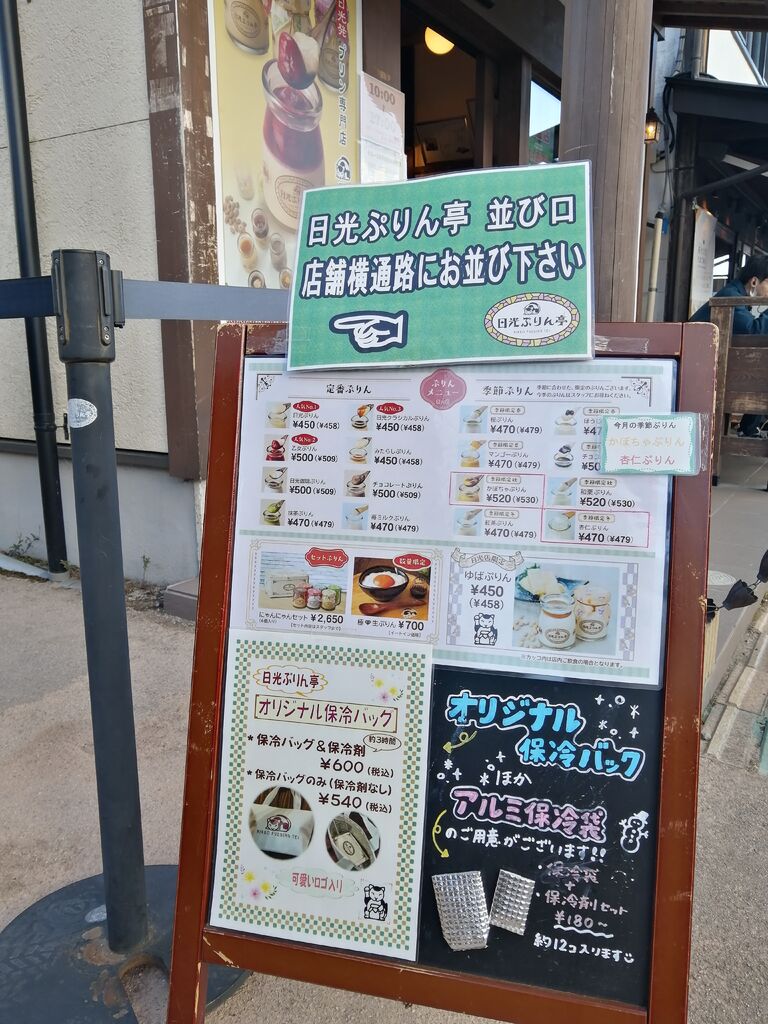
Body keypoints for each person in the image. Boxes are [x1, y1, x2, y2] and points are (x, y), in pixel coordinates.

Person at [690, 256, 768, 436]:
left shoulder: (735, 295)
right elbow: (753, 331)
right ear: (754, 281)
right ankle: (748, 430)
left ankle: (749, 429)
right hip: (700, 367)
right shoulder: (731, 298)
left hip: (709, 363)